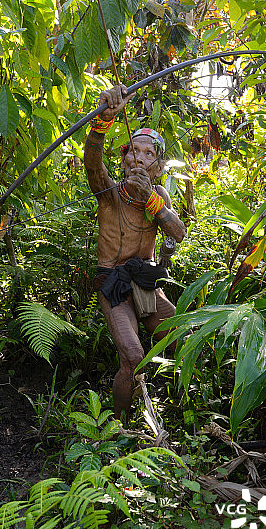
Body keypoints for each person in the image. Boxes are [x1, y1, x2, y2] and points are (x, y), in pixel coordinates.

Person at [84, 84, 186, 419]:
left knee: (181, 338)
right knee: (132, 357)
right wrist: (102, 121)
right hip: (114, 284)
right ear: (124, 159)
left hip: (145, 281)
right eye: (133, 151)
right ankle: (119, 427)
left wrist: (151, 200)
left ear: (158, 167)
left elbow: (177, 232)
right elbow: (93, 164)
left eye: (148, 153)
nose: (138, 158)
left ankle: (182, 410)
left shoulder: (159, 195)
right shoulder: (109, 193)